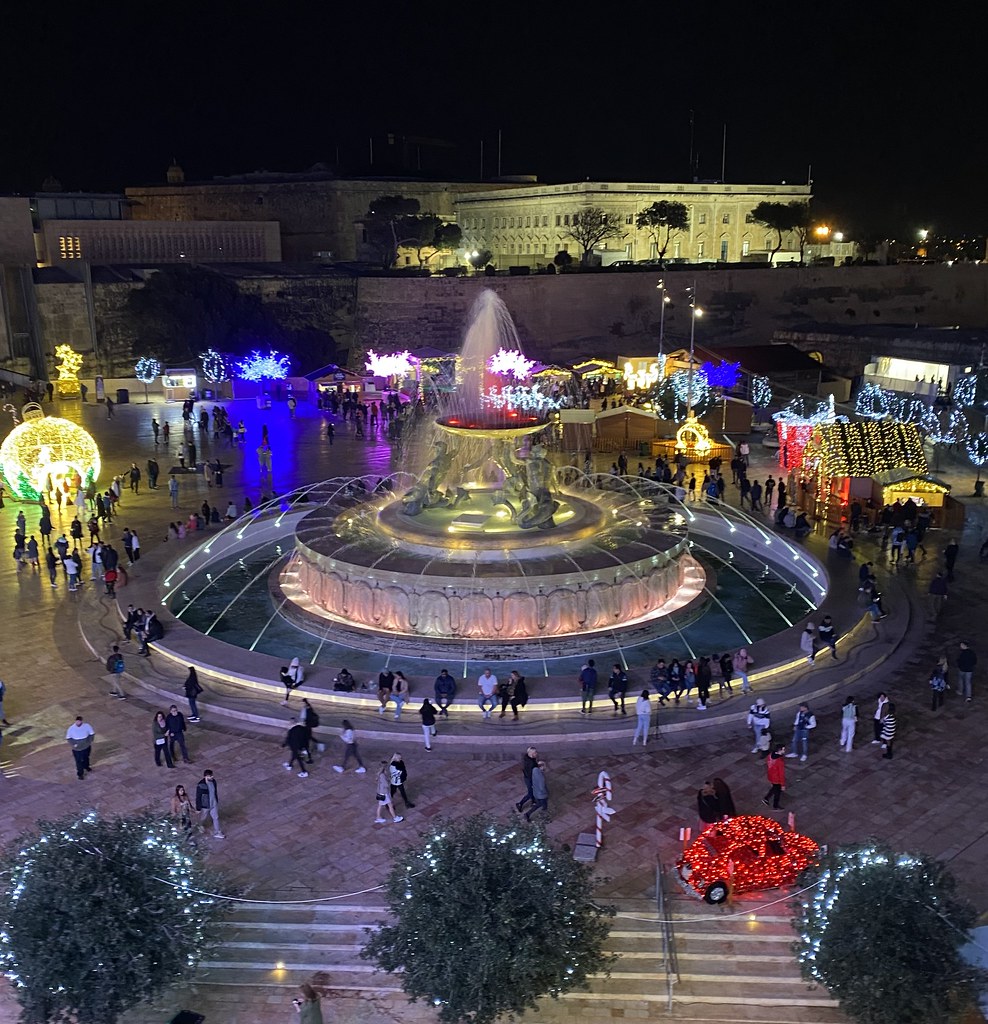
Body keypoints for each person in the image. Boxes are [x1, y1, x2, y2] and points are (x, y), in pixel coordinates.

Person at [195, 769, 224, 838]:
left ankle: (217, 832)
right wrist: (198, 808)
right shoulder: (201, 785)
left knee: (216, 817)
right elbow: (198, 797)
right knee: (203, 817)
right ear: (206, 776)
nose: (212, 777)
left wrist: (216, 800)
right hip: (206, 805)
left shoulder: (213, 782)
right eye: (210, 776)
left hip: (213, 804)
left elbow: (215, 792)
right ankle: (200, 825)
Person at [66, 715, 94, 780]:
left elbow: (91, 734)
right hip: (77, 749)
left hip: (86, 746)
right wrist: (74, 744)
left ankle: (86, 766)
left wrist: (89, 741)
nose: (78, 723)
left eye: (79, 721)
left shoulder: (87, 726)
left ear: (81, 721)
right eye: (77, 721)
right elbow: (69, 738)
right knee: (78, 761)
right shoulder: (71, 728)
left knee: (86, 757)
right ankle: (80, 773)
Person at [515, 746, 540, 812]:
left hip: (527, 777)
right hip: (530, 779)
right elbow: (531, 773)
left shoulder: (527, 758)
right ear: (531, 754)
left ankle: (533, 801)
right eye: (535, 753)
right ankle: (520, 804)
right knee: (530, 793)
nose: (536, 753)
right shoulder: (531, 763)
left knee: (533, 791)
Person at [762, 744, 787, 809]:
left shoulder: (770, 755)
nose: (784, 750)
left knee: (774, 788)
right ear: (779, 751)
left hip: (771, 776)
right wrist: (783, 785)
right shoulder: (779, 761)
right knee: (777, 793)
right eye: (783, 749)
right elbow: (781, 774)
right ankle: (775, 806)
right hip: (777, 779)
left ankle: (766, 798)